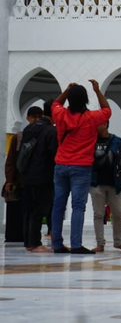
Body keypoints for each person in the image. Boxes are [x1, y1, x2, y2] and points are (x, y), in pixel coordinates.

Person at [51, 81, 111, 254]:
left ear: (69, 99)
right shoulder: (91, 118)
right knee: (78, 206)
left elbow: (55, 104)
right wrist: (98, 91)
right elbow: (107, 111)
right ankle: (76, 244)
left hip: (61, 165)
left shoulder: (60, 114)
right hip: (81, 167)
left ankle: (57, 244)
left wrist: (66, 91)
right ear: (85, 99)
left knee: (58, 205)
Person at [20, 102, 58, 252]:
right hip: (43, 175)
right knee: (38, 209)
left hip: (26, 174)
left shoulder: (29, 128)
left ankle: (29, 243)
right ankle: (35, 243)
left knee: (29, 209)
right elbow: (54, 153)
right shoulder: (50, 131)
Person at [89, 122, 121, 252]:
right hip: (96, 183)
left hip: (114, 183)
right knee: (98, 214)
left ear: (106, 124)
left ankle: (118, 242)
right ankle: (100, 243)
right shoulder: (91, 141)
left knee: (117, 213)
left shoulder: (116, 141)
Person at [3, 123, 25, 243]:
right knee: (15, 209)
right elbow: (10, 160)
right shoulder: (17, 138)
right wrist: (9, 180)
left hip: (27, 182)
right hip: (18, 182)